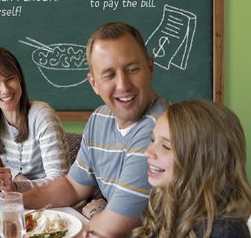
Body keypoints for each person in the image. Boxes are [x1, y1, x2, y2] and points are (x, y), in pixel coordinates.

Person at [23, 22, 169, 237]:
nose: (123, 85)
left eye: (132, 69)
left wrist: (96, 212)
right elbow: (73, 187)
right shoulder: (100, 118)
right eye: (109, 75)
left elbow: (112, 228)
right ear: (94, 83)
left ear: (150, 68)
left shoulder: (160, 129)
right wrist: (15, 202)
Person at [132, 100, 251, 238]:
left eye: (166, 146)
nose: (148, 151)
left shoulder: (224, 230)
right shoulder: (163, 201)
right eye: (153, 140)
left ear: (204, 161)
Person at [0, 47, 70, 192]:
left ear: (19, 78)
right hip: (17, 201)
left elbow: (59, 180)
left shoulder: (43, 116)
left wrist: (17, 185)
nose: (5, 90)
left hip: (53, 204)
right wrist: (5, 175)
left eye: (9, 79)